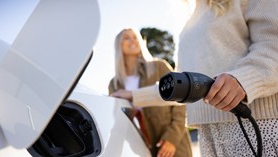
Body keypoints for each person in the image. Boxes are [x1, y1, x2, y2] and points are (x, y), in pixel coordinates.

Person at [116, 0, 278, 156]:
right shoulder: (189, 22)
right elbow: (182, 87)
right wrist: (133, 95)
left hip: (257, 123)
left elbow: (272, 48)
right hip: (207, 132)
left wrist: (242, 80)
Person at [108, 28, 192, 157]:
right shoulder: (114, 84)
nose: (132, 40)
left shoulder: (159, 67)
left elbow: (179, 102)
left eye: (135, 37)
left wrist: (172, 139)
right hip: (142, 150)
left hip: (173, 146)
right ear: (118, 45)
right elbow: (119, 120)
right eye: (126, 38)